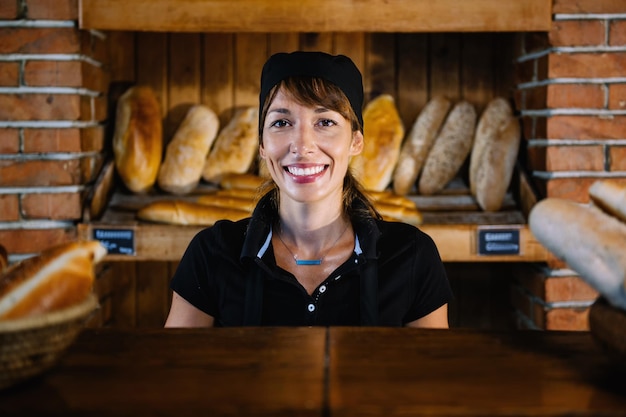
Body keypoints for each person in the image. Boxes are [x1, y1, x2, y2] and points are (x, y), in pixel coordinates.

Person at [165, 51, 452, 328]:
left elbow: (432, 375)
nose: (302, 146)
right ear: (262, 145)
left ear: (356, 141)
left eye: (325, 122)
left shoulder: (411, 256)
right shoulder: (213, 253)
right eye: (281, 122)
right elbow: (175, 374)